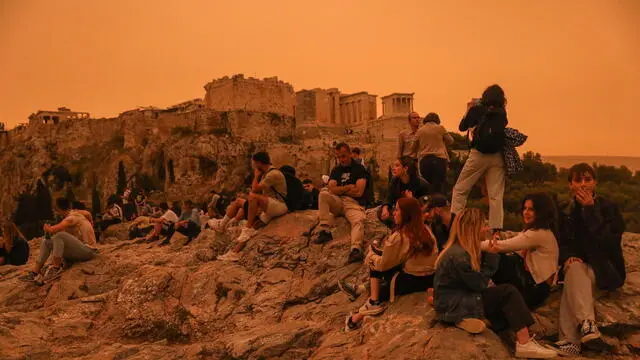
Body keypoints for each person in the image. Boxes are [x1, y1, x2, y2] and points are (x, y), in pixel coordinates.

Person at [433, 208, 557, 359]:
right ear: (472, 228)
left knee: (508, 310)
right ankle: (524, 343)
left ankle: (472, 320)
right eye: (483, 225)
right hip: (457, 304)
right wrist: (492, 258)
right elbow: (479, 284)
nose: (487, 229)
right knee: (508, 292)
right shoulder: (458, 255)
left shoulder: (459, 250)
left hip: (458, 300)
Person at [548, 163, 625, 356]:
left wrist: (590, 211)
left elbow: (610, 241)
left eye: (588, 180)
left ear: (595, 182)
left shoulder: (609, 208)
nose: (583, 185)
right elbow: (559, 242)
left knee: (572, 284)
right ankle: (587, 326)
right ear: (570, 185)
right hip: (578, 269)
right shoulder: (564, 211)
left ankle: (569, 339)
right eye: (578, 180)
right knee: (574, 270)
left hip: (605, 270)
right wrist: (567, 257)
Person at [341, 198, 438, 331]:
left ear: (406, 213)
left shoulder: (402, 235)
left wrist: (370, 255)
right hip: (430, 277)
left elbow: (383, 265)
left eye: (397, 209)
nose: (394, 213)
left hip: (414, 278)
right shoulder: (424, 229)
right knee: (380, 261)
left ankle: (360, 314)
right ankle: (361, 290)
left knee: (376, 267)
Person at [481, 193, 559, 309]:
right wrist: (497, 234)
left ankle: (477, 289)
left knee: (495, 256)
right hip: (533, 284)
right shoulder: (538, 231)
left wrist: (470, 244)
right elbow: (515, 237)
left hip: (535, 290)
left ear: (541, 212)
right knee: (505, 257)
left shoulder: (538, 234)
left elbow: (499, 246)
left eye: (531, 209)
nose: (526, 212)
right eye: (525, 208)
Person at [451, 85, 508, 236]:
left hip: (478, 154)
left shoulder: (477, 109)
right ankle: (496, 230)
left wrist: (469, 109)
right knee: (495, 195)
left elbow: (462, 127)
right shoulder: (502, 112)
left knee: (460, 190)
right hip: (497, 156)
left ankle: (455, 224)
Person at [218, 152, 288, 261]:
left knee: (252, 198)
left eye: (254, 163)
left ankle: (247, 227)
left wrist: (256, 176)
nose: (253, 165)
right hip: (270, 206)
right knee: (255, 225)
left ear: (259, 162)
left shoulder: (273, 174)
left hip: (279, 206)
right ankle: (235, 252)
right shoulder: (266, 174)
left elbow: (255, 190)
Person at [20, 198, 98, 285]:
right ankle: (34, 272)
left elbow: (54, 230)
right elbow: (88, 213)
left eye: (55, 209)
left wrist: (47, 228)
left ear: (58, 209)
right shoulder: (76, 213)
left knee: (60, 235)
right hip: (79, 249)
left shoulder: (71, 218)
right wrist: (91, 223)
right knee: (47, 241)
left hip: (88, 250)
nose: (54, 211)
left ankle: (56, 268)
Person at [313, 142, 368, 264]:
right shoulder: (336, 170)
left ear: (349, 154)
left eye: (343, 156)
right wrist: (347, 187)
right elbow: (331, 189)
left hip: (352, 203)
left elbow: (359, 192)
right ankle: (325, 231)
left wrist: (339, 189)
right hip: (338, 201)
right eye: (338, 157)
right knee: (323, 194)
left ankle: (355, 249)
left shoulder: (359, 169)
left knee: (358, 220)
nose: (341, 160)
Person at [378, 157, 429, 228]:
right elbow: (389, 197)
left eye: (397, 165)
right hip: (399, 210)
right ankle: (396, 229)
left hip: (414, 213)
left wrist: (412, 200)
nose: (394, 168)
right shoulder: (394, 181)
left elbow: (425, 206)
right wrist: (385, 208)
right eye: (394, 165)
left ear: (405, 168)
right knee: (381, 212)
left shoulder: (420, 184)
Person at [412, 112, 454, 195]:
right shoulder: (440, 128)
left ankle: (428, 203)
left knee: (426, 184)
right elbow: (451, 141)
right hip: (440, 160)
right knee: (438, 185)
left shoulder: (420, 130)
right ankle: (438, 204)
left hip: (425, 160)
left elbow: (413, 147)